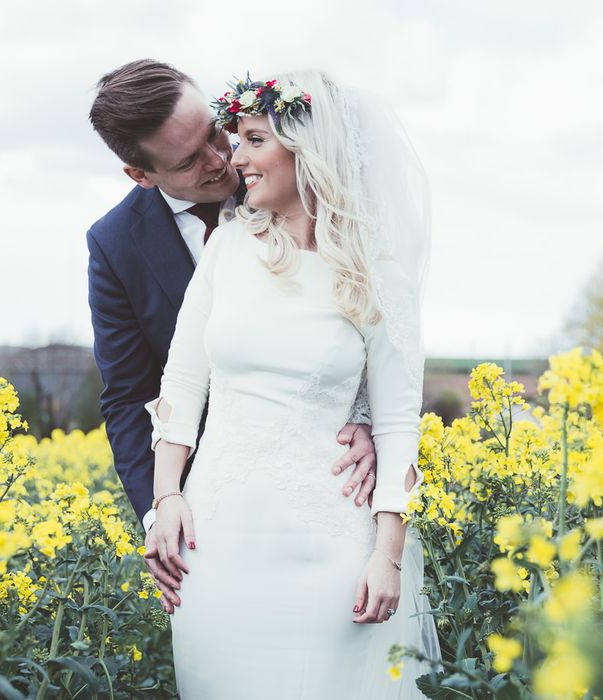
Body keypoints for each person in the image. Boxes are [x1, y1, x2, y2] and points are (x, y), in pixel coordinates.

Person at [147, 70, 440, 698]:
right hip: (214, 547)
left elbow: (395, 425)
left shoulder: (375, 274)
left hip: (330, 553)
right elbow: (181, 383)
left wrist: (387, 555)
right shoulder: (227, 250)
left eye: (254, 140)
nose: (237, 158)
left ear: (307, 151)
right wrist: (165, 497)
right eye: (238, 139)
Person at [86, 60, 378, 616]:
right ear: (141, 175)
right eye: (190, 161)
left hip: (327, 496)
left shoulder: (289, 171)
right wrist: (160, 508)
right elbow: (128, 394)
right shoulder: (115, 244)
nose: (223, 160)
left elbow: (367, 323)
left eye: (216, 135)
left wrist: (363, 415)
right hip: (213, 511)